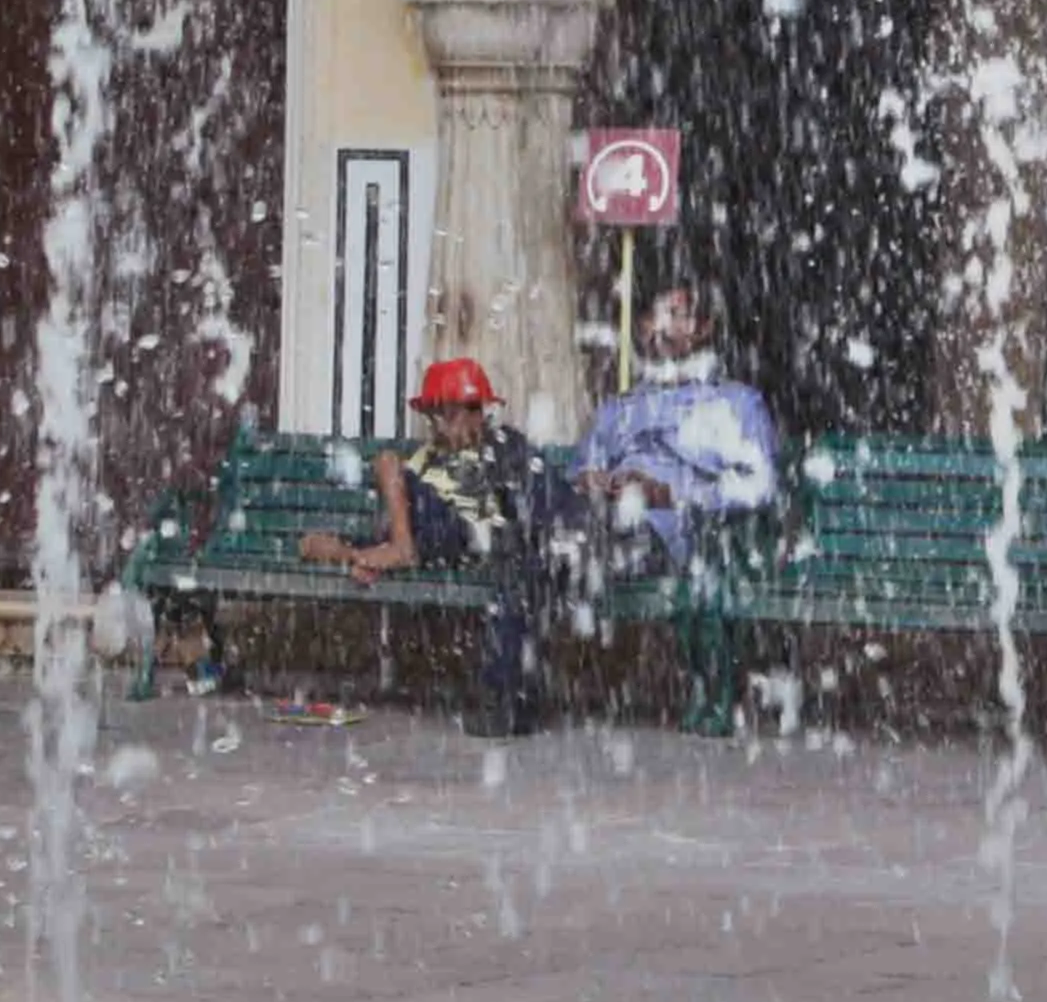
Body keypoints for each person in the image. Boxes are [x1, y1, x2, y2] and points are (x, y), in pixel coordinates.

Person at [293, 356, 551, 731]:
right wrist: (372, 551)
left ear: (478, 412)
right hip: (424, 539)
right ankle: (384, 553)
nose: (439, 426)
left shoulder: (503, 446)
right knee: (310, 543)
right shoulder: (426, 457)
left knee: (386, 462)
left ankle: (394, 551)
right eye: (433, 417)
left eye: (448, 415)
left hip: (466, 535)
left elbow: (508, 515)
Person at [571, 277, 782, 579]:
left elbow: (759, 486)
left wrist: (674, 495)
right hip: (601, 521)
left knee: (601, 549)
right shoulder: (622, 406)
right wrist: (595, 480)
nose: (657, 325)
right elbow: (583, 469)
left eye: (671, 313)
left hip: (682, 543)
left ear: (704, 326)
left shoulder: (736, 404)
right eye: (651, 315)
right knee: (557, 532)